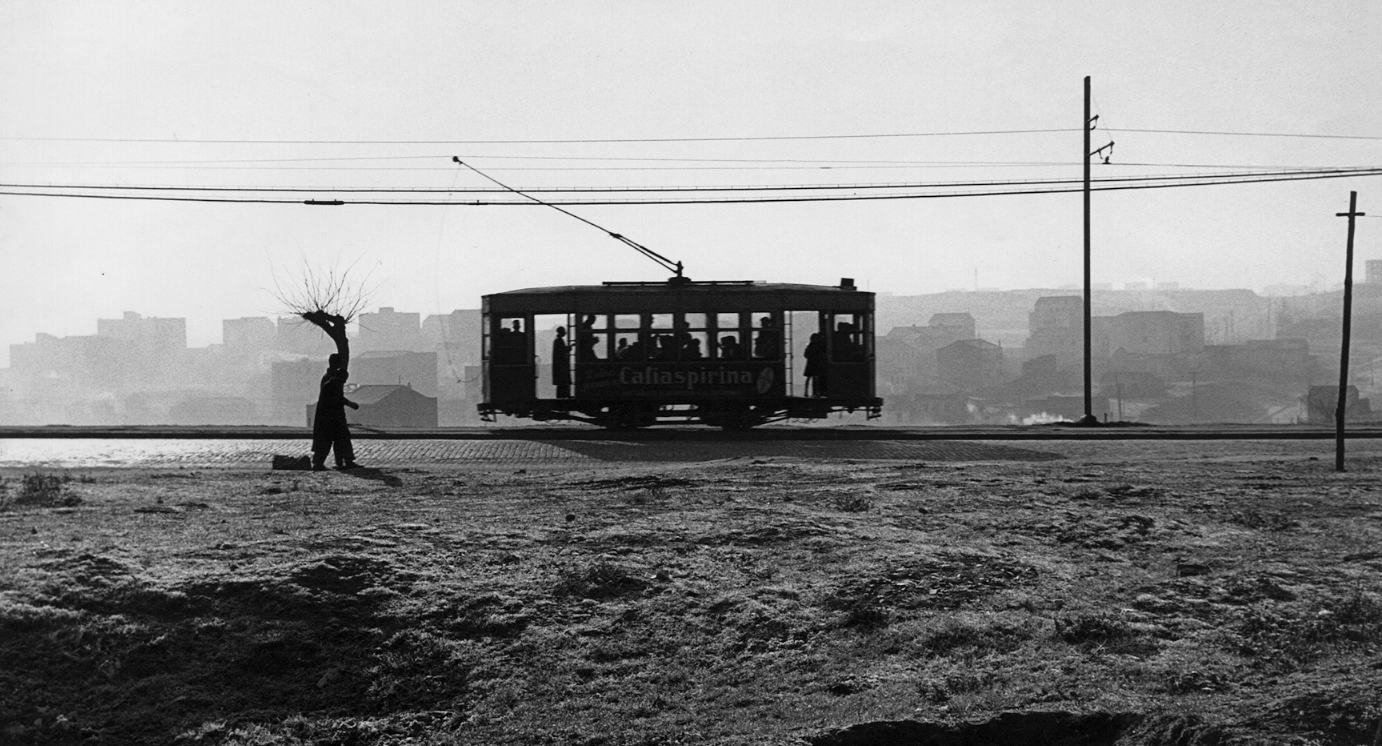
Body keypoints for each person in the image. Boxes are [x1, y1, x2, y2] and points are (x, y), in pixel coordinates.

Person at [312, 353, 360, 471]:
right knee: (329, 439)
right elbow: (336, 398)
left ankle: (344, 461)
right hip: (330, 416)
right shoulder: (331, 380)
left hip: (333, 415)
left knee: (340, 438)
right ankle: (321, 463)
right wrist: (350, 404)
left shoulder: (331, 378)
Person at [803, 332, 826, 397]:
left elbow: (805, 355)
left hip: (810, 363)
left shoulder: (809, 346)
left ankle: (806, 392)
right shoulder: (819, 346)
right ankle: (816, 392)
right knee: (816, 378)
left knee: (809, 378)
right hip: (816, 363)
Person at [552, 326, 572, 398]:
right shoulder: (559, 341)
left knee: (561, 385)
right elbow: (561, 353)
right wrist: (569, 349)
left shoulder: (557, 341)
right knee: (563, 384)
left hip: (559, 367)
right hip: (561, 367)